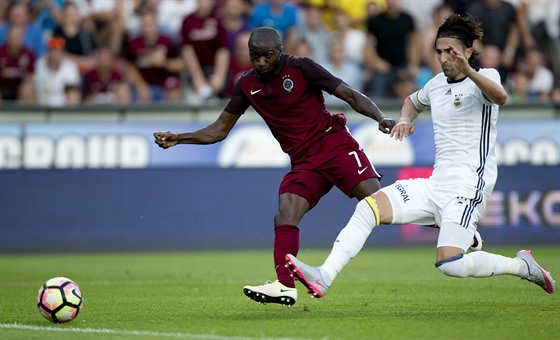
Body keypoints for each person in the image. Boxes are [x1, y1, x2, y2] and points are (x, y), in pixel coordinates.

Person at [285, 14, 556, 299]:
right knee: (368, 208)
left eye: (450, 51)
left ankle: (521, 265)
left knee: (450, 264)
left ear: (467, 51)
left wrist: (469, 70)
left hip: (467, 187)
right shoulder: (436, 84)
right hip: (436, 183)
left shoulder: (486, 77)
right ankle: (324, 275)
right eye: (439, 52)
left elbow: (500, 97)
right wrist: (404, 119)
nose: (443, 58)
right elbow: (411, 102)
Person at [154, 26, 396, 307]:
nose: (260, 63)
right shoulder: (247, 84)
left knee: (378, 204)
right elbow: (219, 129)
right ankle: (284, 285)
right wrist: (179, 139)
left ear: (279, 52)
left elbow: (349, 95)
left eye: (266, 56)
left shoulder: (302, 68)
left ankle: (438, 217)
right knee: (285, 214)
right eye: (254, 56)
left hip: (334, 144)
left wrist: (379, 117)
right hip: (304, 162)